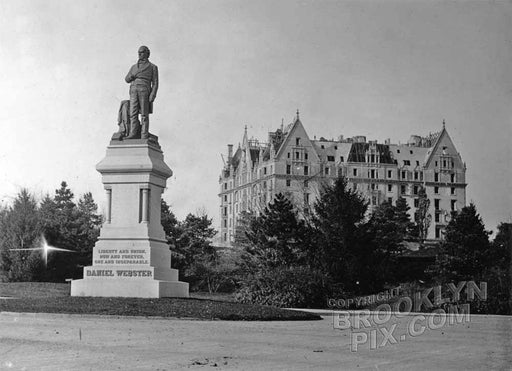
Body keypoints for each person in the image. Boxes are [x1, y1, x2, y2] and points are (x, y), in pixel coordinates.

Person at [125, 46, 159, 139]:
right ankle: (133, 133)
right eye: (139, 52)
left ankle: (144, 134)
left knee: (144, 114)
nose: (140, 54)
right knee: (133, 113)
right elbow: (127, 79)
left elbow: (155, 83)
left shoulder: (152, 67)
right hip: (133, 90)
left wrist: (153, 95)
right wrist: (132, 75)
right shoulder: (134, 67)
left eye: (142, 52)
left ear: (147, 54)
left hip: (144, 90)